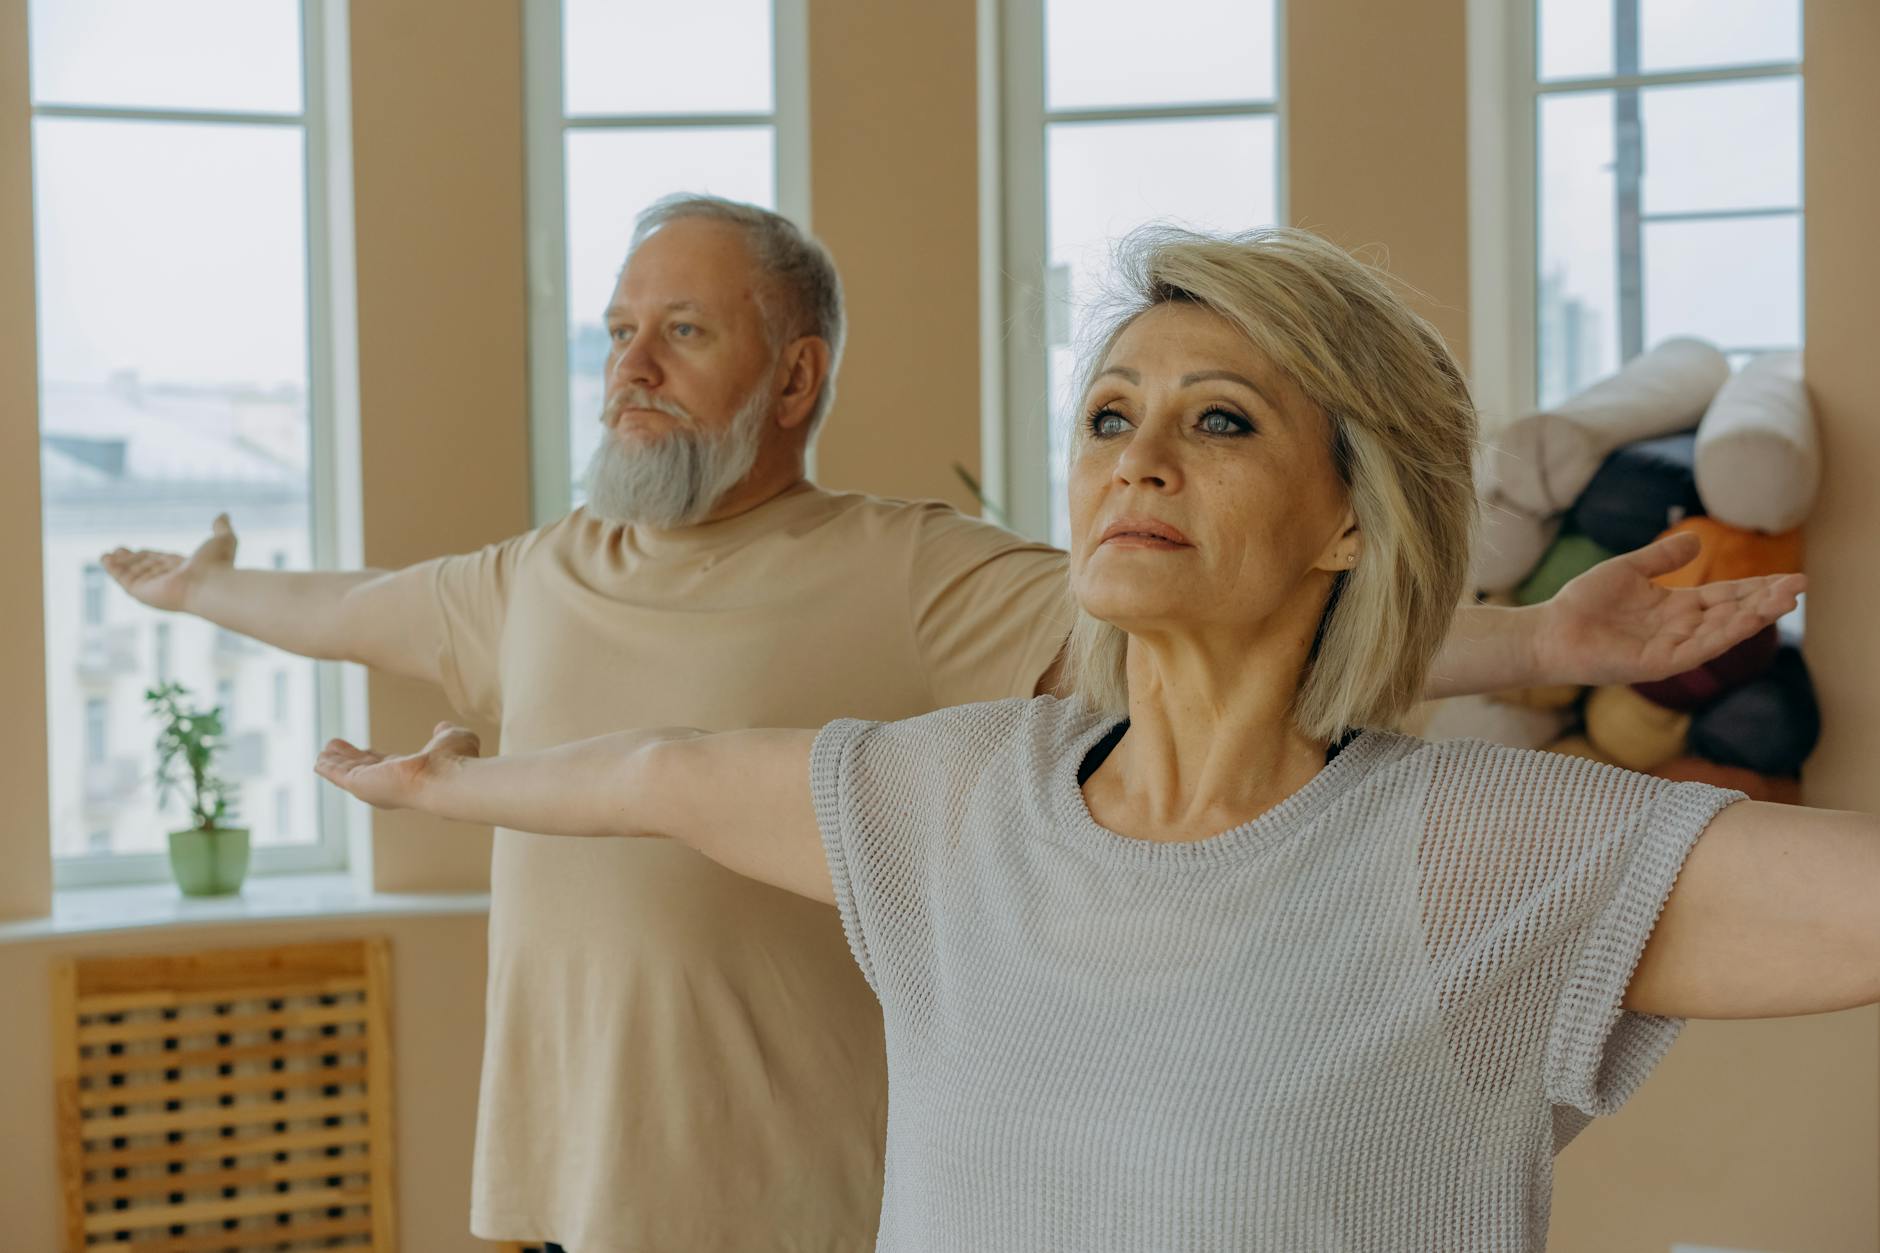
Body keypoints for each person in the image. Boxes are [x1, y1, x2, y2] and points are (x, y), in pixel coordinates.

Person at [110, 201, 1806, 1252]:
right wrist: (207, 597)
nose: (631, 365)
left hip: (801, 1201)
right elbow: (387, 628)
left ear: (796, 376)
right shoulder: (539, 576)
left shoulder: (909, 573)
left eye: (680, 331)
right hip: (576, 1194)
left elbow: (1247, 607)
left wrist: (1535, 641)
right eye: (619, 331)